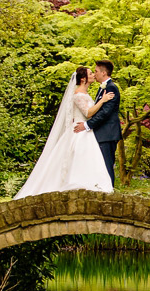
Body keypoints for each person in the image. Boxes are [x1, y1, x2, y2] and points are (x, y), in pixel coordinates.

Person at [14, 66, 112, 199]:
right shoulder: (78, 95)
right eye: (90, 73)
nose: (93, 75)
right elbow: (88, 113)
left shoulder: (85, 93)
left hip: (85, 130)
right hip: (80, 130)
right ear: (83, 79)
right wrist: (103, 100)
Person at [72, 60, 121, 188]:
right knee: (100, 166)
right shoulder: (102, 88)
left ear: (104, 73)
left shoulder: (111, 88)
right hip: (100, 133)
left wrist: (87, 125)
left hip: (107, 133)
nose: (94, 74)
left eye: (97, 71)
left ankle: (109, 193)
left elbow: (105, 113)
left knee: (106, 165)